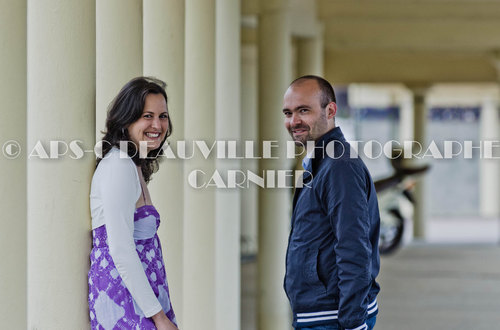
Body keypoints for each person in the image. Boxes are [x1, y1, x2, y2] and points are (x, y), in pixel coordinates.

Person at [282, 75, 380, 330]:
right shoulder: (321, 163)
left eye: (304, 110)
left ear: (331, 110)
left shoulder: (339, 166)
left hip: (333, 318)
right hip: (320, 315)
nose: (294, 121)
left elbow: (354, 248)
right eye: (288, 112)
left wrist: (353, 324)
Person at [88, 77, 178, 330]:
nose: (157, 125)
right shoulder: (118, 165)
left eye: (163, 116)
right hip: (124, 300)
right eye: (146, 116)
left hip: (142, 295)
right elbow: (120, 249)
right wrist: (159, 317)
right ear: (126, 119)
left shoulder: (132, 163)